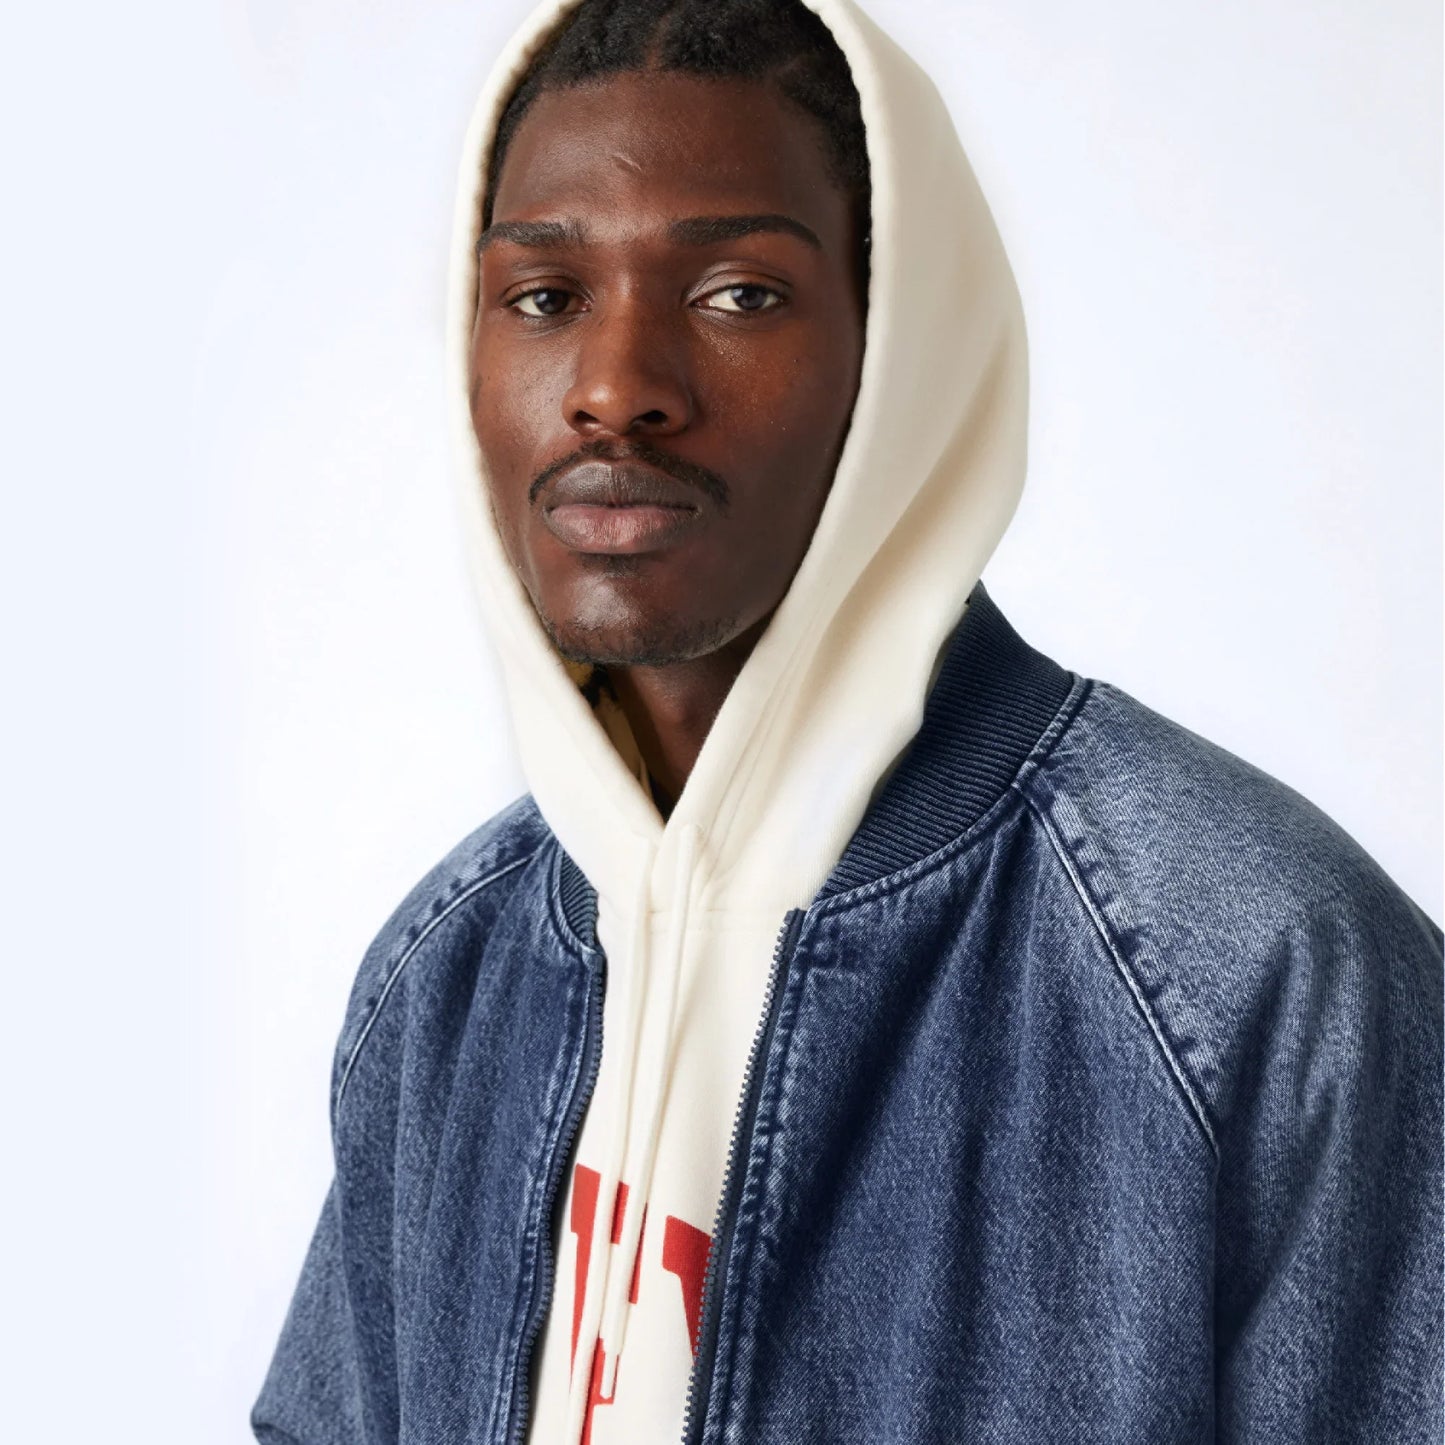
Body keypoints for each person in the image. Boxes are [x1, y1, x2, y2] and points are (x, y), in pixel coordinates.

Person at [251, 0, 1443, 1440]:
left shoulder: (1243, 968)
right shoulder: (446, 977)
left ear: (902, 355)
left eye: (738, 292)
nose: (616, 389)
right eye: (545, 297)